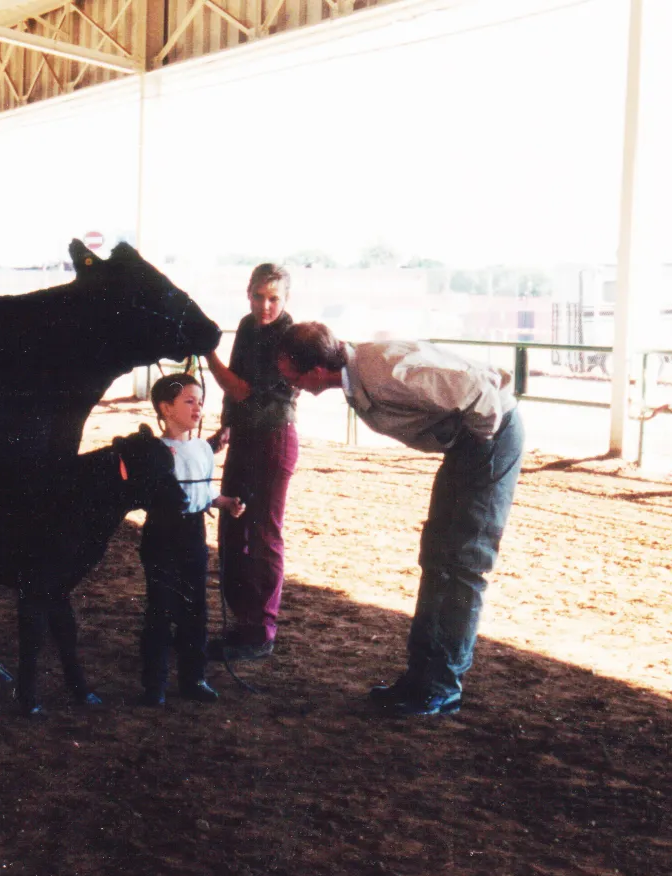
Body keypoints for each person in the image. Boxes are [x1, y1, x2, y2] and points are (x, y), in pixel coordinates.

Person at [275, 323, 524, 717]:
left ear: (317, 369)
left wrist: (476, 448)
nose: (290, 381)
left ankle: (442, 687)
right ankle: (421, 678)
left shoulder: (385, 373)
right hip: (469, 443)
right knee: (437, 558)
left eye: (292, 373)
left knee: (464, 563)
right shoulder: (360, 374)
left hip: (489, 436)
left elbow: (478, 393)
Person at [203, 263, 299, 663]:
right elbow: (236, 388)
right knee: (232, 529)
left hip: (273, 440)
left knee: (262, 535)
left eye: (273, 298)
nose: (265, 305)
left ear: (285, 300)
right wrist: (227, 425)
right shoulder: (246, 327)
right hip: (243, 436)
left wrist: (207, 353)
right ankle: (243, 623)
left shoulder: (292, 339)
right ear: (248, 294)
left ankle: (260, 630)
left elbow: (242, 388)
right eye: (259, 296)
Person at [138, 373, 245, 708]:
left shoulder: (202, 448)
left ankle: (193, 678)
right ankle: (154, 685)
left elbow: (204, 489)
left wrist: (225, 502)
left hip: (193, 534)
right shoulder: (154, 451)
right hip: (162, 534)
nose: (197, 408)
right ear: (165, 408)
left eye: (200, 402)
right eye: (188, 401)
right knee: (160, 608)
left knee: (195, 608)